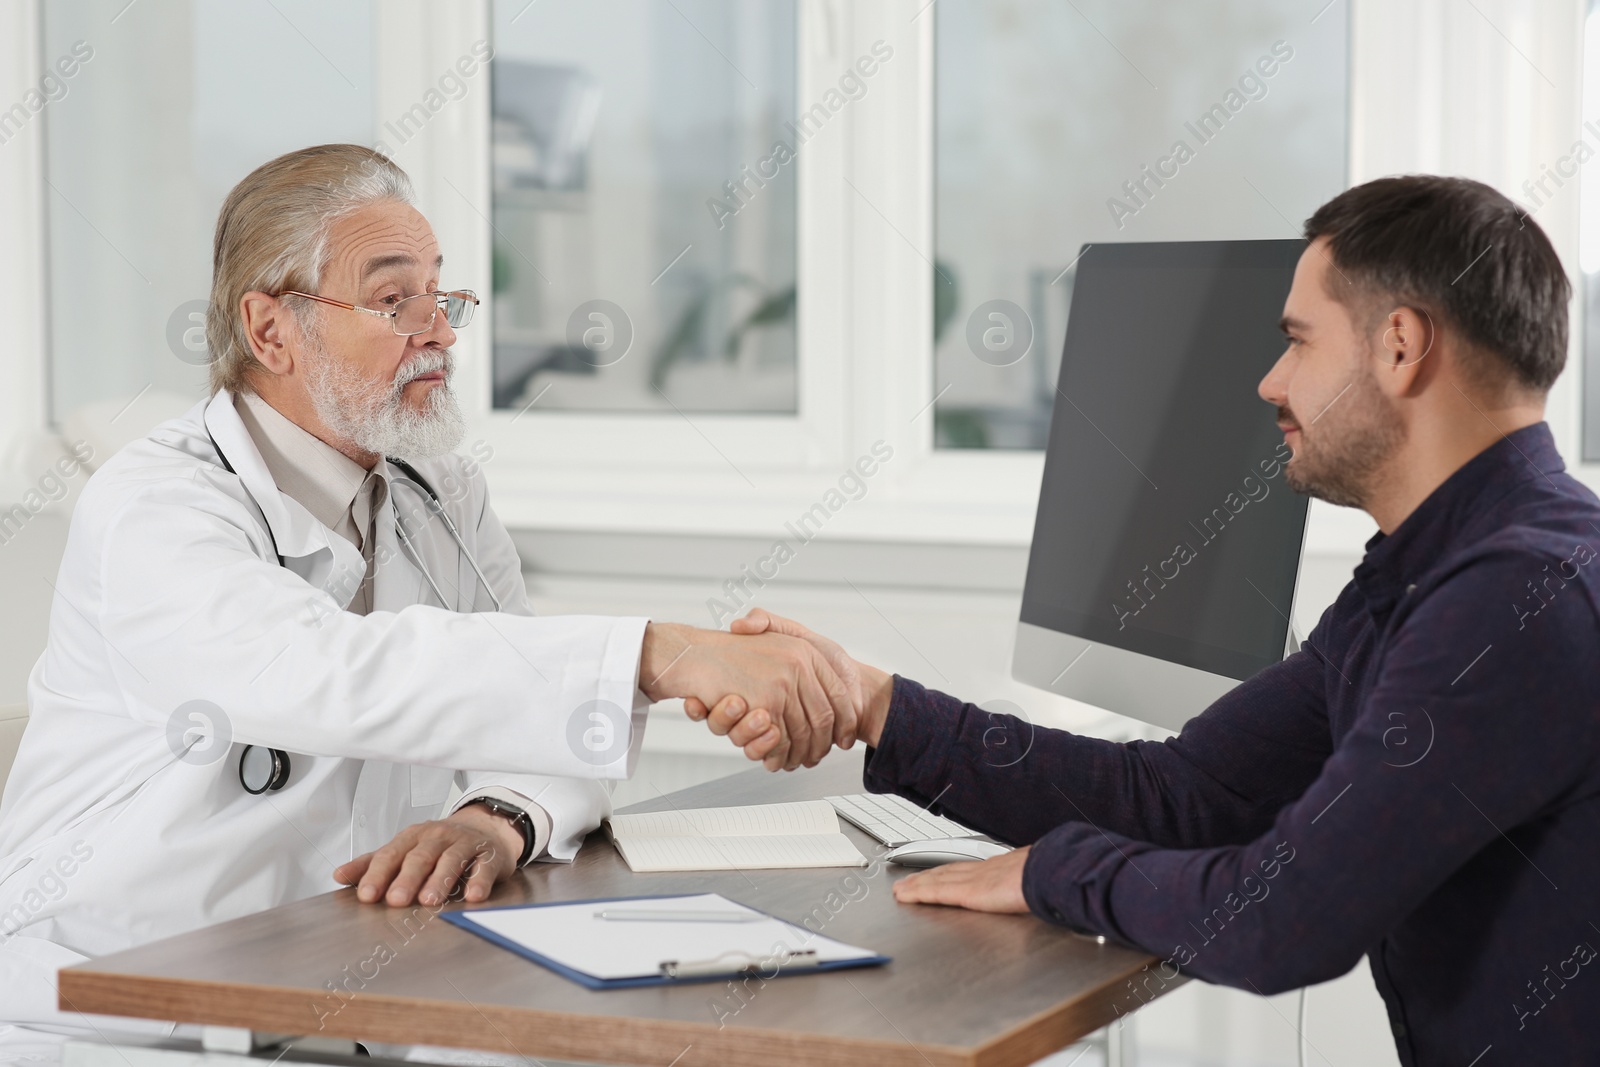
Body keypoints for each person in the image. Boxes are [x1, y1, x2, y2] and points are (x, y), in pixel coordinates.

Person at [700, 176, 1600, 1065]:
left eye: (1297, 341)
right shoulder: (1424, 575)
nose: (1269, 381)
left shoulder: (1516, 601)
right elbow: (1184, 796)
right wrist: (875, 703)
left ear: (1401, 346)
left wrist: (1055, 874)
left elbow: (1286, 916)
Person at [0, 144, 851, 1049]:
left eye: (442, 295)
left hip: (340, 996)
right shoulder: (155, 505)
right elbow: (321, 672)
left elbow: (537, 708)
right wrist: (658, 652)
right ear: (271, 329)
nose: (439, 328)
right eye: (393, 298)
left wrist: (502, 817)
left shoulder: (437, 488)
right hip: (122, 1009)